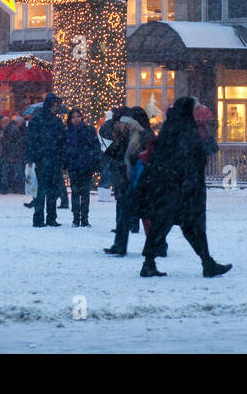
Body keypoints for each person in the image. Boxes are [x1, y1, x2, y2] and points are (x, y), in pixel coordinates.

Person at [132, 96, 231, 278]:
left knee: (163, 227)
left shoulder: (170, 129)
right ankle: (206, 263)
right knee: (192, 228)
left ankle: (151, 263)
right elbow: (191, 160)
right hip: (183, 191)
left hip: (168, 190)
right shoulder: (186, 131)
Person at [103, 108, 155, 256]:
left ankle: (156, 245)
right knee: (127, 213)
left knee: (146, 216)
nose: (125, 126)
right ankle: (120, 245)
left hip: (140, 182)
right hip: (133, 181)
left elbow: (147, 158)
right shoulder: (130, 136)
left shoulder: (143, 136)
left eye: (128, 123)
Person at [27, 93, 66, 227]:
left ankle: (43, 218)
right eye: (55, 105)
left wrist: (31, 157)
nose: (56, 108)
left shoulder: (39, 120)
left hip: (46, 160)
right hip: (47, 160)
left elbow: (31, 141)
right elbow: (31, 141)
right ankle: (47, 218)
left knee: (45, 191)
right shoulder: (52, 121)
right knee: (47, 191)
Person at [63, 107, 101, 227]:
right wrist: (66, 162)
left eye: (78, 116)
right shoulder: (68, 132)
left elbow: (95, 146)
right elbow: (64, 149)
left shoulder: (88, 130)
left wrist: (94, 161)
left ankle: (84, 218)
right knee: (75, 192)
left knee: (84, 193)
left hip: (86, 165)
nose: (76, 119)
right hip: (74, 165)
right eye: (74, 117)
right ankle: (75, 218)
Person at [1, 115, 26, 194]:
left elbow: (15, 144)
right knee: (16, 173)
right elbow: (17, 144)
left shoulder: (10, 129)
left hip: (10, 155)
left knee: (10, 173)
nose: (1, 125)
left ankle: (8, 189)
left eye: (2, 123)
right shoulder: (13, 129)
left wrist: (12, 155)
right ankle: (18, 189)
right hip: (11, 155)